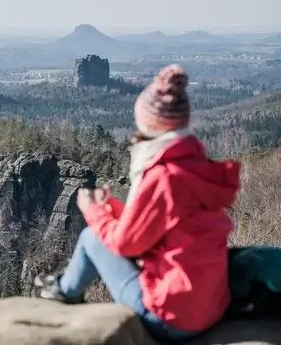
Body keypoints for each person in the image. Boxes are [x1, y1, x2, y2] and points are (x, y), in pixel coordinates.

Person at [33, 64, 241, 342]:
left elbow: (126, 244)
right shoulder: (195, 167)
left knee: (91, 238)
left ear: (148, 124)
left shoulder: (164, 177)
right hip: (210, 307)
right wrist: (113, 210)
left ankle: (64, 292)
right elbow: (160, 225)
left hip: (171, 318)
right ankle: (63, 288)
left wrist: (93, 211)